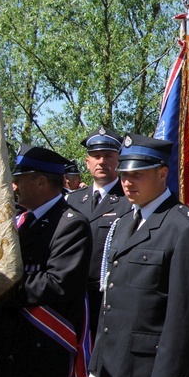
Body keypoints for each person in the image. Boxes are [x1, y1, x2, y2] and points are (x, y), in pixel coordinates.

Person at [81, 134, 189, 377]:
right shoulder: (122, 223)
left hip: (150, 376)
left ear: (162, 173)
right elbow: (110, 306)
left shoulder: (185, 228)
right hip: (113, 372)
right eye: (124, 174)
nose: (127, 182)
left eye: (138, 175)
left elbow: (184, 314)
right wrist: (95, 370)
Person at [0, 144, 92, 377]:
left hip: (41, 355)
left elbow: (58, 284)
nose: (14, 187)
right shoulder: (21, 222)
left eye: (19, 179)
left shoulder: (70, 224)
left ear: (42, 181)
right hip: (8, 354)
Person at [67, 125, 131, 341]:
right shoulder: (73, 200)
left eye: (108, 156)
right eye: (96, 156)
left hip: (109, 296)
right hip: (75, 295)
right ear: (87, 162)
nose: (102, 161)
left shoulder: (129, 200)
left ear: (119, 159)